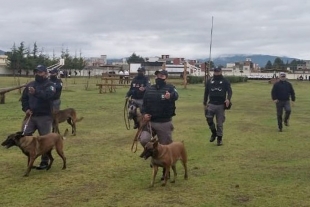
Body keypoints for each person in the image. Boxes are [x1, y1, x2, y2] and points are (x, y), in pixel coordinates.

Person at [139, 69, 178, 179]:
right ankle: (154, 158)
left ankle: (166, 171)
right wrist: (144, 114)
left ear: (165, 77)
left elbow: (176, 95)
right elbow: (144, 105)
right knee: (144, 140)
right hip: (150, 122)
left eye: (161, 75)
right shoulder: (149, 89)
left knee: (166, 147)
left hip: (164, 122)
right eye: (157, 75)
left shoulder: (170, 88)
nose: (158, 77)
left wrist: (170, 96)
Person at [21, 64, 56, 170]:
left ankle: (44, 161)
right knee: (24, 135)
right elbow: (24, 98)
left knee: (44, 139)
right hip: (31, 116)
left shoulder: (50, 85)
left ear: (45, 73)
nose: (37, 74)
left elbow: (48, 96)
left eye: (40, 72)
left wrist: (35, 92)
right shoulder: (30, 84)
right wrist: (26, 108)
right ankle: (30, 158)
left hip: (44, 116)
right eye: (36, 72)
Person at [203, 67, 232, 146]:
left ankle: (219, 139)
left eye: (218, 72)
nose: (216, 73)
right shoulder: (210, 81)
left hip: (220, 105)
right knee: (209, 118)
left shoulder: (225, 81)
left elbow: (229, 91)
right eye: (215, 72)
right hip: (211, 103)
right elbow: (206, 92)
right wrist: (204, 103)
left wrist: (228, 99)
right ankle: (214, 133)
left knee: (219, 123)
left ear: (221, 72)